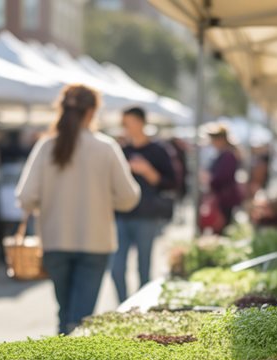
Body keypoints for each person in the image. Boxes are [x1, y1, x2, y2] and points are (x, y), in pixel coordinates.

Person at [17, 85, 140, 335]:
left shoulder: (46, 147)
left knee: (64, 313)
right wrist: (103, 201)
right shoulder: (106, 148)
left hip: (54, 240)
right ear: (92, 111)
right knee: (81, 318)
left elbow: (26, 197)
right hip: (96, 241)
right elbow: (129, 197)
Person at [110, 107, 177, 302]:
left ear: (140, 122)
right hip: (121, 214)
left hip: (147, 215)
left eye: (127, 122)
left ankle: (142, 307)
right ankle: (123, 306)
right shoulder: (121, 151)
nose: (125, 127)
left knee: (144, 267)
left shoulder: (159, 150)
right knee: (117, 267)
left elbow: (172, 183)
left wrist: (148, 171)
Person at [205, 125, 243, 229]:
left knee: (222, 226)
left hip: (225, 198)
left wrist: (209, 180)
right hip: (223, 196)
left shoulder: (228, 155)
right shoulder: (225, 153)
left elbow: (223, 177)